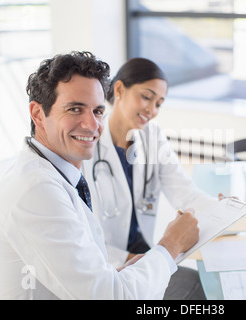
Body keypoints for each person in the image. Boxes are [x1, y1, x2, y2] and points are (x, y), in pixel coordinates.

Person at [0, 51, 200, 300]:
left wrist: (124, 271)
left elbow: (90, 275)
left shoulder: (58, 174)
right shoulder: (36, 191)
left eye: (97, 111)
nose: (92, 125)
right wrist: (170, 246)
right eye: (75, 109)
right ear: (38, 114)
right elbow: (108, 297)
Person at [82, 57, 218, 300]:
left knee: (207, 284)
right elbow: (85, 235)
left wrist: (220, 209)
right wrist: (127, 259)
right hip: (108, 265)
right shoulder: (86, 146)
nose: (152, 110)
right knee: (197, 289)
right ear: (120, 89)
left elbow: (184, 191)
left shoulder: (152, 137)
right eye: (146, 97)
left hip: (145, 255)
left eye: (159, 103)